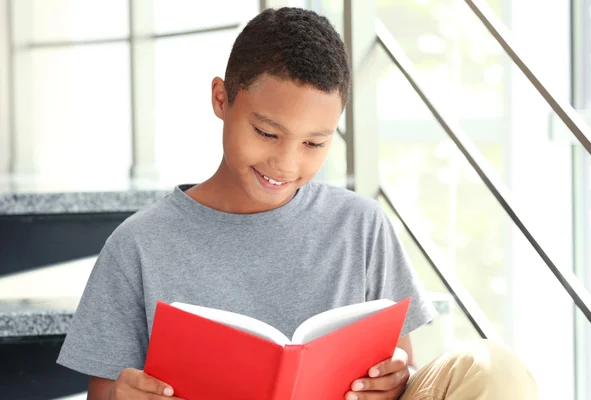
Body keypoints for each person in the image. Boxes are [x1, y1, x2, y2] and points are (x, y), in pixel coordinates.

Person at [57, 7, 539, 400]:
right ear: (222, 99)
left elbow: (399, 366)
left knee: (495, 370)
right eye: (267, 132)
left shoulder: (362, 225)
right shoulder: (138, 246)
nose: (286, 164)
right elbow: (106, 394)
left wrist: (393, 378)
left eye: (315, 144)